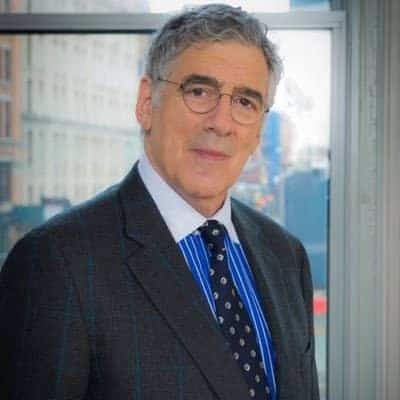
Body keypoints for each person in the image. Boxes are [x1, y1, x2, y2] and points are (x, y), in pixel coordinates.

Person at [0, 4, 319, 400]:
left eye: (245, 102)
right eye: (198, 92)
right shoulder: (57, 263)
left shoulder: (285, 255)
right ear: (146, 102)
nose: (221, 122)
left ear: (259, 130)